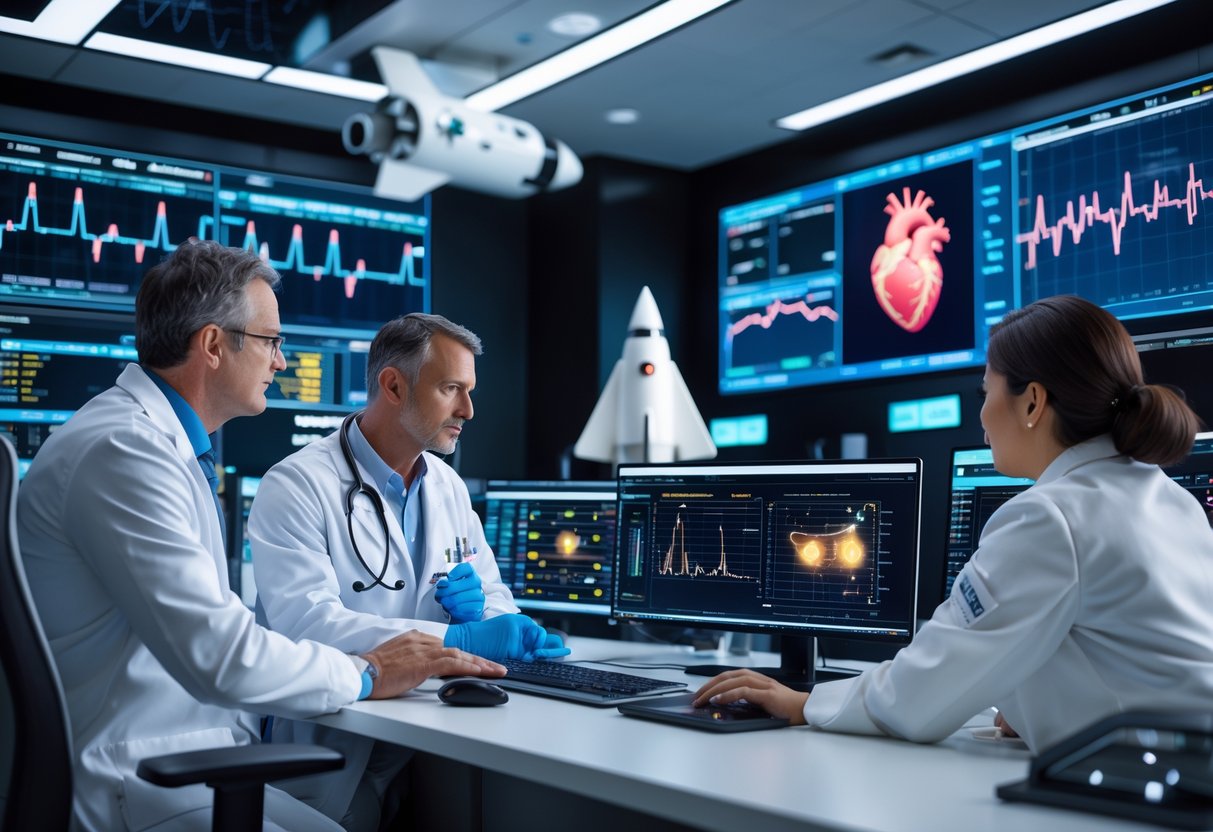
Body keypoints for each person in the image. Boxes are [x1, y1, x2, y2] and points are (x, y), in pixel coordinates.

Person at [16, 240, 505, 832]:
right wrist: (367, 670)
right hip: (136, 777)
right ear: (214, 346)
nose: (281, 361)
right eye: (272, 340)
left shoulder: (159, 448)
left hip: (188, 759)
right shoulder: (124, 452)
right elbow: (219, 655)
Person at [694, 294, 1213, 753]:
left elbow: (925, 690)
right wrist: (1038, 707)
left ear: (1032, 401)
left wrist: (804, 704)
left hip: (1152, 788)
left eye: (985, 392)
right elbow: (1130, 656)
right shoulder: (1169, 497)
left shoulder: (1049, 516)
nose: (981, 415)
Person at [249, 312, 567, 828]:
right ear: (393, 385)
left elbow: (496, 597)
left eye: (470, 390)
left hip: (429, 740)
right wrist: (456, 638)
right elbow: (306, 625)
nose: (468, 408)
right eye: (451, 389)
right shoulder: (296, 485)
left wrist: (487, 614)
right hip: (331, 751)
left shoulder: (447, 487)